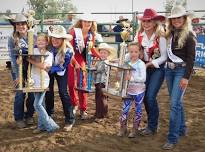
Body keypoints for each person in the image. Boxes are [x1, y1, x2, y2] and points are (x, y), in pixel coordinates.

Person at [162, 5, 196, 150]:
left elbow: (191, 58)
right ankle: (182, 128)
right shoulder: (169, 34)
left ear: (184, 18)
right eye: (173, 18)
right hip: (169, 71)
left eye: (179, 17)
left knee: (174, 104)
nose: (176, 20)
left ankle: (172, 137)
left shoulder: (189, 35)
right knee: (176, 102)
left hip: (181, 72)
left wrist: (186, 77)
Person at [134, 9, 167, 136]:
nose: (146, 24)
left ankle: (153, 126)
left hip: (157, 69)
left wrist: (149, 64)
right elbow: (136, 51)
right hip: (144, 68)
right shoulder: (140, 35)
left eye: (149, 21)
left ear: (154, 22)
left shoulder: (161, 36)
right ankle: (151, 122)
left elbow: (164, 57)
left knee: (150, 96)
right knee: (144, 97)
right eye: (144, 21)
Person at [67, 13, 100, 120]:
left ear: (92, 23)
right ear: (81, 22)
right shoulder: (74, 32)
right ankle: (74, 103)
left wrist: (100, 56)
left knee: (82, 84)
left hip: (81, 59)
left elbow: (91, 49)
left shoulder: (92, 35)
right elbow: (69, 49)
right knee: (71, 83)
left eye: (89, 22)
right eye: (85, 21)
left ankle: (83, 108)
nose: (87, 23)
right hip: (70, 58)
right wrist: (74, 62)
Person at [27, 33, 59, 133]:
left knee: (37, 104)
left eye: (43, 40)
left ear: (46, 42)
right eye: (38, 40)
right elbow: (24, 56)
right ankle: (41, 126)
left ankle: (51, 125)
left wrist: (30, 61)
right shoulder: (34, 51)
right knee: (41, 103)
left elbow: (43, 66)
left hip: (43, 81)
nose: (40, 42)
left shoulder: (49, 54)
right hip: (34, 80)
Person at [45, 25, 75, 131]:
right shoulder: (48, 47)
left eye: (58, 38)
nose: (55, 40)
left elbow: (62, 66)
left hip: (60, 71)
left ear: (63, 39)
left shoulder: (68, 51)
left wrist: (49, 68)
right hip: (49, 70)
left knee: (63, 92)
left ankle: (70, 119)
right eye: (53, 37)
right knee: (48, 91)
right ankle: (49, 115)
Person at [7, 14, 35, 128]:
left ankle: (29, 115)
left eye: (23, 23)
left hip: (32, 67)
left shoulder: (33, 35)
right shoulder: (12, 38)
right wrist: (18, 74)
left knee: (32, 92)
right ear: (15, 26)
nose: (20, 26)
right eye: (18, 24)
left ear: (27, 24)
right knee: (20, 92)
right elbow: (12, 58)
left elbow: (37, 52)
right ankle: (19, 117)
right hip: (18, 68)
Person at [117, 42, 146, 138]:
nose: (133, 54)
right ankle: (123, 128)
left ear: (139, 52)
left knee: (138, 110)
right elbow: (123, 76)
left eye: (135, 52)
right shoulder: (127, 64)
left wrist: (132, 79)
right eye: (131, 52)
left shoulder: (141, 64)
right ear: (128, 52)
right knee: (124, 110)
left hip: (139, 91)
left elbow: (143, 79)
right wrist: (120, 74)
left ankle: (134, 129)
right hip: (128, 90)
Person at [94, 43, 116, 121]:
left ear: (108, 54)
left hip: (102, 82)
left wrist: (94, 69)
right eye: (101, 52)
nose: (102, 54)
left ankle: (102, 114)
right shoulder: (99, 61)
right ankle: (98, 112)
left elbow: (99, 70)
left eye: (105, 53)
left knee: (102, 98)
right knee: (98, 97)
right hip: (98, 81)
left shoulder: (106, 62)